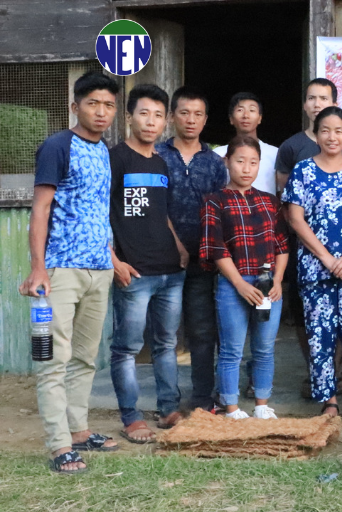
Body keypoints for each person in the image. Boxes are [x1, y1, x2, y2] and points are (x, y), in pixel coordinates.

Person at [19, 70, 121, 474]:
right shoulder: (57, 146)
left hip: (99, 269)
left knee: (85, 358)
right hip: (60, 269)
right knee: (53, 360)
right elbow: (40, 209)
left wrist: (112, 258)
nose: (101, 112)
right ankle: (59, 445)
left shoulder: (105, 150)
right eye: (93, 103)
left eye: (109, 105)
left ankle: (79, 431)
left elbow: (97, 211)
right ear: (74, 106)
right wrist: (38, 269)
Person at [282, 107, 342, 425]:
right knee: (320, 334)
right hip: (315, 268)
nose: (332, 136)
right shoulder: (303, 171)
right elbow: (295, 218)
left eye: (338, 131)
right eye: (325, 130)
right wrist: (325, 258)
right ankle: (329, 400)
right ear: (316, 135)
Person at [108, 84, 189, 444]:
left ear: (165, 121)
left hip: (170, 272)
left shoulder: (160, 162)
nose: (151, 121)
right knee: (126, 349)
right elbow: (99, 214)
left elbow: (162, 213)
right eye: (144, 113)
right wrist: (114, 261)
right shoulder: (115, 159)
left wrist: (179, 248)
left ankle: (168, 408)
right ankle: (131, 417)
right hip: (134, 272)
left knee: (166, 344)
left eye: (158, 115)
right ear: (129, 117)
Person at [200, 136, 289, 420]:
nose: (246, 168)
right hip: (232, 284)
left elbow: (282, 245)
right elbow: (216, 248)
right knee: (232, 350)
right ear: (227, 162)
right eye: (240, 161)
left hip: (267, 284)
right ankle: (232, 407)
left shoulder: (269, 202)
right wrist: (239, 283)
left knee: (264, 348)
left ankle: (262, 404)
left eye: (253, 162)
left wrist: (277, 280)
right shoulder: (214, 201)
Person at [276, 79, 342, 400]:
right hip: (305, 247)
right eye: (311, 98)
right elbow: (285, 200)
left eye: (323, 97)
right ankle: (316, 372)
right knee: (306, 313)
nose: (317, 103)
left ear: (335, 102)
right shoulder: (291, 147)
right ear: (305, 104)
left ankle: (339, 371)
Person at [156, 86, 229, 412]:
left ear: (205, 120)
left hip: (202, 262)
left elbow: (221, 212)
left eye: (198, 114)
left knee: (202, 331)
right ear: (172, 116)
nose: (191, 120)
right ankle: (168, 402)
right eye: (184, 112)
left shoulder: (214, 163)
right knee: (164, 335)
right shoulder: (156, 155)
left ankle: (202, 398)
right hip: (162, 260)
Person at [213, 92, 278, 195]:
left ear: (260, 118)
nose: (246, 115)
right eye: (240, 110)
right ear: (231, 119)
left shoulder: (275, 153)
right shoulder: (218, 153)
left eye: (252, 110)